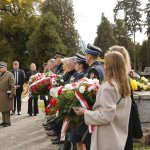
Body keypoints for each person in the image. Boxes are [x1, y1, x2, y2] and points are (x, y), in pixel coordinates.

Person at [75, 51, 132, 150]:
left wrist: (85, 113)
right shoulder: (124, 86)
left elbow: (106, 116)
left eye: (105, 63)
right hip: (118, 137)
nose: (103, 66)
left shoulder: (109, 87)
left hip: (106, 138)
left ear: (109, 66)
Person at [0, 62, 16, 127]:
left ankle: (7, 122)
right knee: (2, 108)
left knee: (6, 109)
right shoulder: (1, 74)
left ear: (5, 68)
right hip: (1, 94)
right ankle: (4, 121)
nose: (0, 69)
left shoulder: (9, 74)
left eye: (1, 68)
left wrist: (12, 94)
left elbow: (13, 85)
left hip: (6, 94)